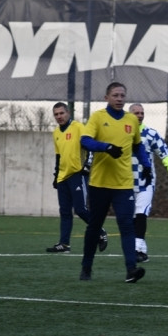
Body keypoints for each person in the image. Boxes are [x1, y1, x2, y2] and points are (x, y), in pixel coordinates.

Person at [78, 82, 153, 283]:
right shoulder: (98, 117)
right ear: (107, 98)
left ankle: (131, 270)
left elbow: (138, 147)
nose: (119, 98)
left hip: (123, 184)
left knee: (127, 226)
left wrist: (146, 166)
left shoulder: (131, 120)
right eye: (115, 95)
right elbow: (84, 141)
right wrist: (106, 147)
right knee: (94, 226)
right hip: (100, 184)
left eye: (122, 95)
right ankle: (86, 267)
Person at [47, 102, 108, 254]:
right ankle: (64, 244)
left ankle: (100, 232)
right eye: (56, 114)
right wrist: (56, 176)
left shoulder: (78, 127)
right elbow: (58, 156)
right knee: (65, 212)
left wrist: (87, 166)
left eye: (61, 113)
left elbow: (90, 146)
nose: (59, 116)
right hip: (63, 177)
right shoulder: (56, 133)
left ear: (68, 113)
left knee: (80, 209)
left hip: (77, 174)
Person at [128, 103, 168, 263]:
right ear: (129, 115)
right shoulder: (122, 133)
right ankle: (141, 250)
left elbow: (164, 153)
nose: (139, 115)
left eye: (142, 112)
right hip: (124, 183)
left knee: (141, 213)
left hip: (146, 182)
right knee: (131, 218)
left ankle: (137, 249)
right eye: (136, 113)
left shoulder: (150, 134)